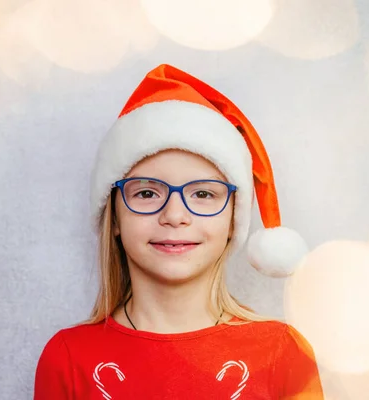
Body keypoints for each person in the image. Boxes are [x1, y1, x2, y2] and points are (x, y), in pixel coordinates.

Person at [34, 64, 324, 399]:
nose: (174, 216)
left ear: (232, 219)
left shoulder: (283, 352)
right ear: (113, 217)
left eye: (202, 194)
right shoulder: (68, 357)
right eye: (146, 193)